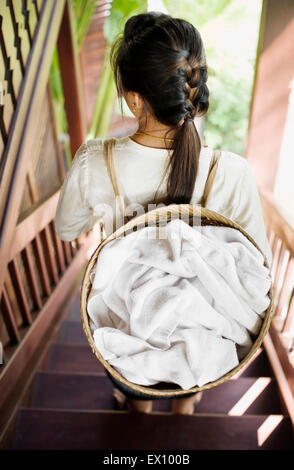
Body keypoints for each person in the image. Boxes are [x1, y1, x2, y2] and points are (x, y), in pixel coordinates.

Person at [54, 12, 272, 415]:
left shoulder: (95, 162)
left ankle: (135, 409)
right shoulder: (230, 172)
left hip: (127, 329)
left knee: (135, 394)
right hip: (205, 339)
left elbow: (68, 229)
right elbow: (259, 269)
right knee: (188, 384)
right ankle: (184, 408)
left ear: (135, 98)